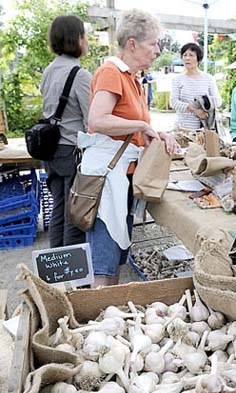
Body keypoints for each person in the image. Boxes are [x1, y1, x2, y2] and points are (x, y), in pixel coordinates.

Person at [85, 9, 180, 287]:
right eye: (153, 43)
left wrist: (153, 133)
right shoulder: (111, 72)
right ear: (132, 44)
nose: (157, 50)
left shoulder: (133, 78)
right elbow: (97, 119)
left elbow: (131, 128)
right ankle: (100, 313)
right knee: (104, 259)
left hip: (122, 175)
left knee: (114, 254)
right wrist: (140, 125)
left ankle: (107, 306)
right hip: (106, 180)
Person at [40, 15, 92, 248]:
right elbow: (93, 120)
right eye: (84, 35)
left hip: (50, 151)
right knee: (75, 215)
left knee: (59, 209)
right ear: (77, 39)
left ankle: (55, 270)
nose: (87, 40)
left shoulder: (49, 71)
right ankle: (73, 275)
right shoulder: (80, 75)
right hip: (71, 151)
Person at [170, 43, 221, 130]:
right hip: (183, 128)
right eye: (184, 55)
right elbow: (173, 102)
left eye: (191, 55)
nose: (187, 58)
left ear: (198, 58)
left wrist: (204, 104)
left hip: (205, 128)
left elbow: (218, 101)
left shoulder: (208, 78)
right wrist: (194, 110)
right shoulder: (177, 79)